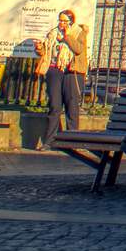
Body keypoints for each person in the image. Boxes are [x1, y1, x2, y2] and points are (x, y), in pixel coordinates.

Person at [35, 8, 89, 148]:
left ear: (71, 22)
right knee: (54, 106)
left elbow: (78, 49)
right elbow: (46, 51)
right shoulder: (53, 33)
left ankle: (72, 141)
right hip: (54, 70)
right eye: (60, 20)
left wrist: (66, 36)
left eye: (65, 21)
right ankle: (50, 140)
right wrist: (40, 48)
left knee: (72, 106)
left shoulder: (79, 33)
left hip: (72, 72)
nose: (61, 23)